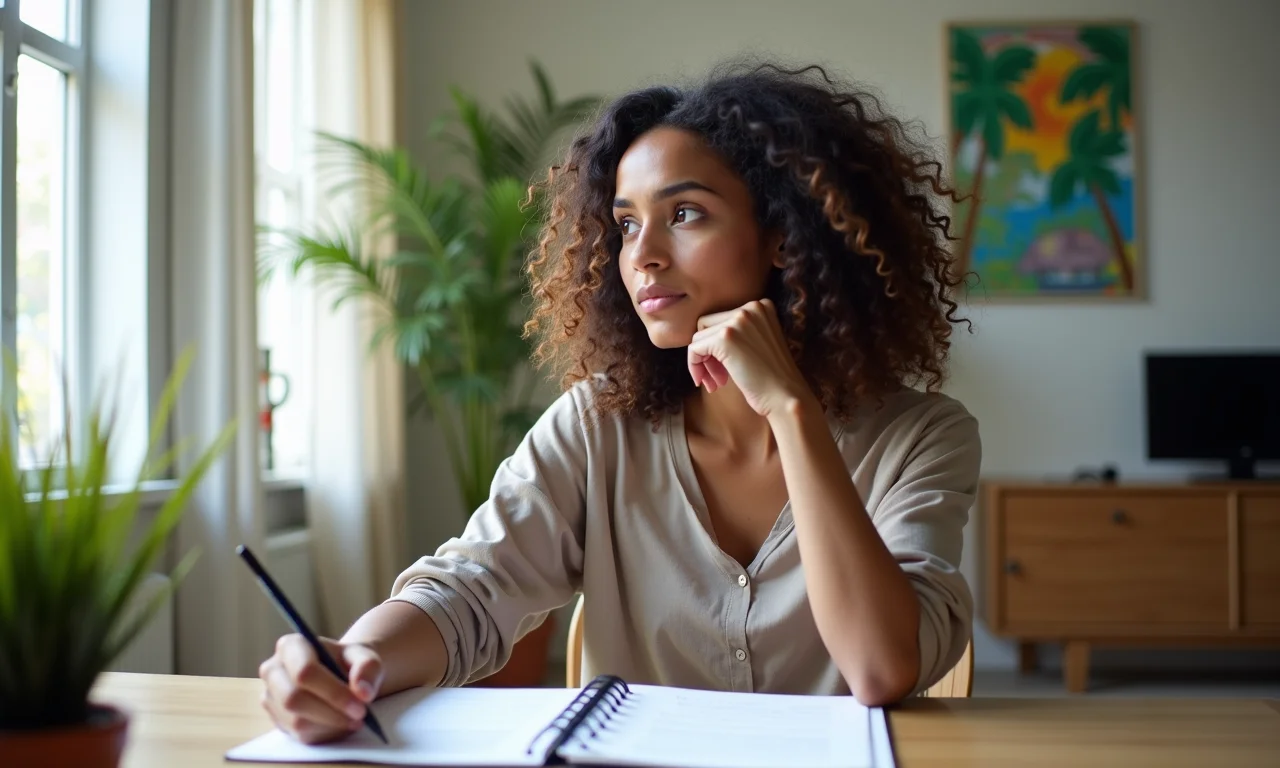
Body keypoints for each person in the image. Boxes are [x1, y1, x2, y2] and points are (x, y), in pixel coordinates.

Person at [258, 60, 981, 745]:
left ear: (784, 238)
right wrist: (352, 659)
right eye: (627, 223)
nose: (642, 256)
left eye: (686, 213)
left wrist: (793, 413)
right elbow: (473, 589)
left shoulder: (922, 438)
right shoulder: (596, 425)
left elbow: (884, 667)